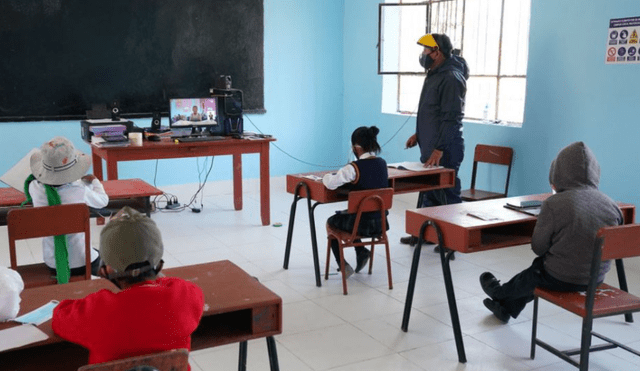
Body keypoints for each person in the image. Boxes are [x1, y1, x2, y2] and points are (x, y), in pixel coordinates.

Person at [479, 141, 623, 323]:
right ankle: (506, 308)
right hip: (596, 279)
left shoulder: (554, 204)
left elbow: (538, 247)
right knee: (540, 272)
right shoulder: (611, 205)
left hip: (562, 279)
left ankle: (500, 293)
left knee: (538, 271)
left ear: (558, 172)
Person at [52, 206, 204, 366]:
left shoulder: (98, 310)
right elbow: (183, 288)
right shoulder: (184, 295)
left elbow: (59, 318)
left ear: (109, 267)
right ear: (157, 258)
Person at [400, 33, 469, 246]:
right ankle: (426, 235)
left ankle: (452, 242)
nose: (423, 55)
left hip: (446, 149)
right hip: (431, 148)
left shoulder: (451, 77)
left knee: (448, 195)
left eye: (425, 50)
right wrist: (419, 135)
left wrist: (439, 148)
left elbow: (452, 117)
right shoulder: (435, 73)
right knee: (430, 193)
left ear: (437, 52)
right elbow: (432, 112)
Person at [25, 136, 109, 283]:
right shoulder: (80, 190)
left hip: (54, 264)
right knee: (101, 255)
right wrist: (95, 182)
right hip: (84, 261)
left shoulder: (34, 188)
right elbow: (103, 201)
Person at [323, 126, 389, 278]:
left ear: (356, 148)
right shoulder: (382, 163)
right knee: (357, 215)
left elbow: (331, 184)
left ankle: (343, 265)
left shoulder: (353, 168)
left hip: (361, 225)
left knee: (331, 222)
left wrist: (326, 176)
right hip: (381, 223)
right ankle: (361, 252)